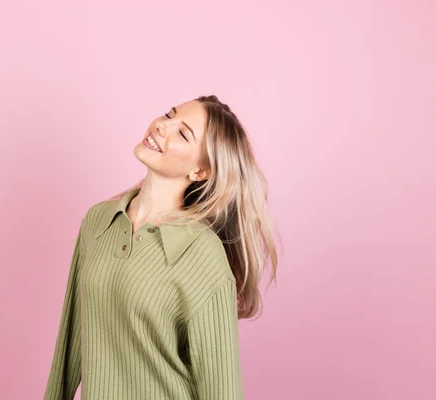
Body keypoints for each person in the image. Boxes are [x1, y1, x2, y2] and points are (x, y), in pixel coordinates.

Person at [43, 95, 280, 400]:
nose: (162, 126)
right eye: (168, 114)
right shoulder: (98, 221)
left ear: (200, 172)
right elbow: (71, 337)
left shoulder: (202, 254)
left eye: (183, 133)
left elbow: (223, 391)